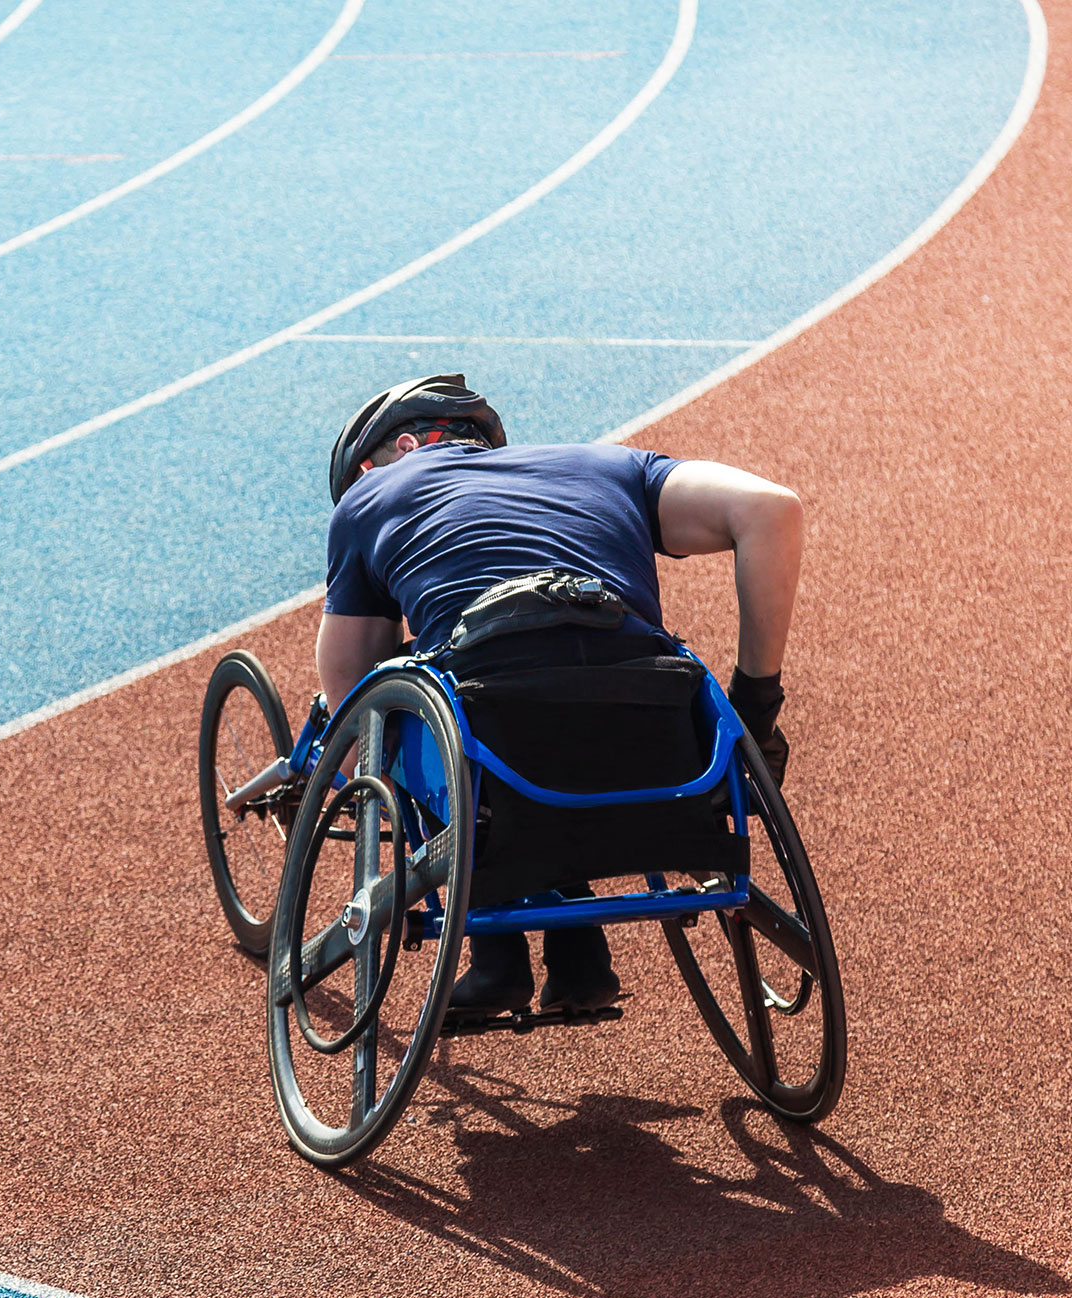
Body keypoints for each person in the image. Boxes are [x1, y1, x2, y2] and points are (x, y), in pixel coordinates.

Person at [317, 373, 802, 1018]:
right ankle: (575, 954)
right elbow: (774, 510)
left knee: (408, 711)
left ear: (403, 447)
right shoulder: (607, 465)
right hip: (661, 744)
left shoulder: (375, 494)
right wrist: (755, 713)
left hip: (497, 752)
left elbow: (350, 698)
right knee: (545, 711)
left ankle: (498, 955)